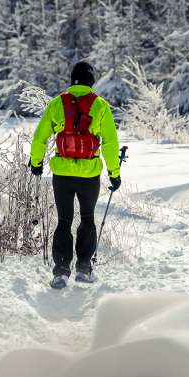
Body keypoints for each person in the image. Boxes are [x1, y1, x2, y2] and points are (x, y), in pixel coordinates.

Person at [29, 62, 122, 289]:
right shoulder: (100, 105)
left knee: (64, 221)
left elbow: (40, 136)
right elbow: (110, 143)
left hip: (62, 174)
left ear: (72, 80)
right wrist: (114, 173)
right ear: (91, 80)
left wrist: (36, 162)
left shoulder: (56, 103)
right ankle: (83, 268)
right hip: (89, 174)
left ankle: (60, 271)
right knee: (88, 219)